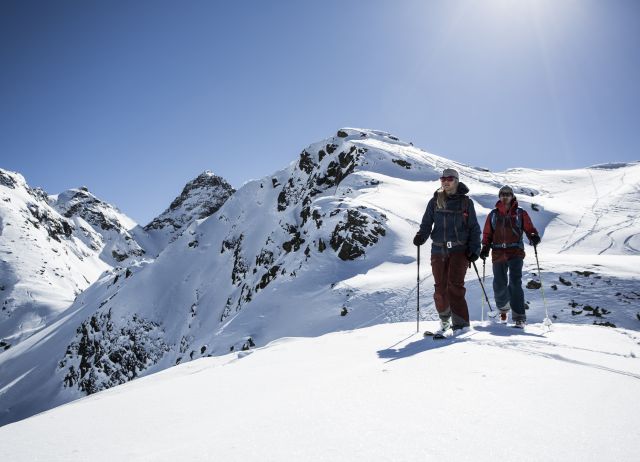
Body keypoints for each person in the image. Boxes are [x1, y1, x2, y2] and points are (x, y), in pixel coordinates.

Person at [413, 168, 481, 337]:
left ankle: (461, 326)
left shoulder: (466, 203)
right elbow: (427, 223)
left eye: (449, 178)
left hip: (459, 250)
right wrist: (421, 235)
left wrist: (475, 250)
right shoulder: (435, 200)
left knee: (454, 287)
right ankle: (445, 323)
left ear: (456, 181)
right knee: (440, 290)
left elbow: (474, 228)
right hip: (438, 249)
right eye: (442, 178)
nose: (445, 181)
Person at [479, 185, 541, 328]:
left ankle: (519, 317)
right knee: (499, 285)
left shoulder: (520, 213)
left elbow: (529, 228)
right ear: (499, 197)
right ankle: (503, 311)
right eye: (502, 194)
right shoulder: (493, 215)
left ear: (512, 196)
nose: (505, 196)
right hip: (498, 252)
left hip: (515, 252)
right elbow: (487, 234)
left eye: (508, 194)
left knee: (515, 283)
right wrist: (485, 248)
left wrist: (533, 236)